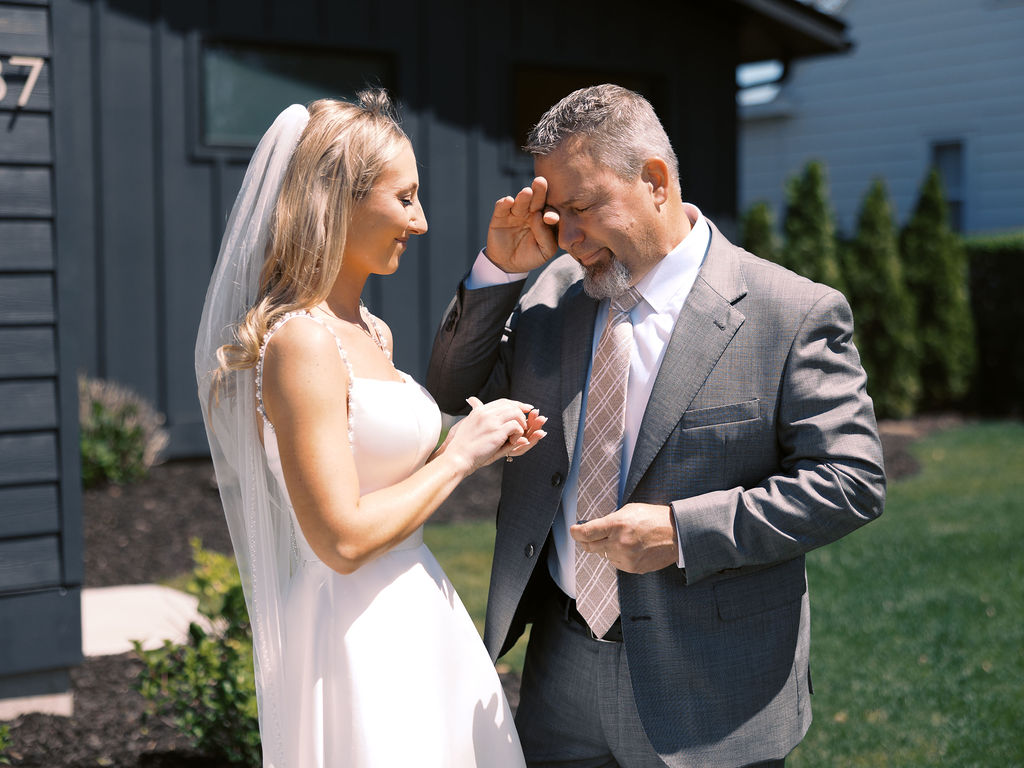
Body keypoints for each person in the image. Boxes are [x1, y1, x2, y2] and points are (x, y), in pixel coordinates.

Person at [426, 84, 886, 768]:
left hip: (715, 692)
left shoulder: (791, 313)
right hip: (559, 676)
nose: (568, 235)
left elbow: (850, 482)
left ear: (656, 181)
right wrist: (499, 271)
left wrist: (680, 533)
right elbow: (452, 386)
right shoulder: (552, 296)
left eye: (582, 208)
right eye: (557, 214)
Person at [195, 92, 544, 767]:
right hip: (353, 635)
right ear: (337, 201)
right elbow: (340, 539)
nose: (420, 221)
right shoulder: (301, 342)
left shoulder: (371, 332)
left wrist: (475, 436)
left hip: (418, 610)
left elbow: (375, 474)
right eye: (404, 198)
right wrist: (458, 460)